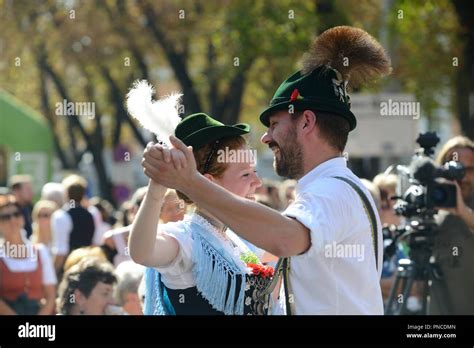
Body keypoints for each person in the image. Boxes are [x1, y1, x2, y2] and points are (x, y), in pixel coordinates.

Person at [142, 26, 391, 314]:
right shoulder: (334, 186)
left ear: (306, 122)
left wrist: (189, 181)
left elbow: (284, 239)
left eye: (274, 124)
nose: (266, 137)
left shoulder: (332, 190)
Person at [130, 112, 275, 315]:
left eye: (255, 172)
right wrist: (157, 185)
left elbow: (291, 246)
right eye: (245, 174)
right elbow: (142, 252)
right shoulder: (186, 238)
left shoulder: (236, 238)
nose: (257, 183)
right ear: (208, 181)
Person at [428, 135, 474, 314]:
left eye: (467, 169)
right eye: (454, 169)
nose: (460, 177)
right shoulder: (433, 204)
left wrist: (463, 211)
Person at [0, 194, 57, 315]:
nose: (12, 220)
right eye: (5, 217)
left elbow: (51, 296)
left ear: (22, 217)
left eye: (16, 214)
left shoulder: (40, 251)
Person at [52, 174, 95, 274]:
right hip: (87, 265)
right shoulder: (91, 214)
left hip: (68, 268)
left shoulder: (60, 215)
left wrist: (54, 273)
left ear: (66, 194)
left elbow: (61, 251)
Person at [9, 175, 34, 239]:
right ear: (16, 190)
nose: (32, 193)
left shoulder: (30, 207)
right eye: (28, 189)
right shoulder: (7, 211)